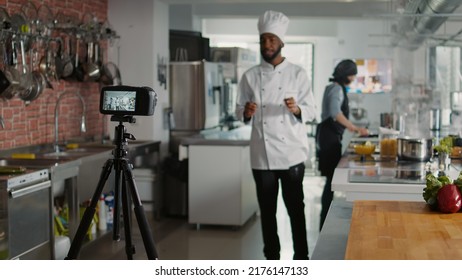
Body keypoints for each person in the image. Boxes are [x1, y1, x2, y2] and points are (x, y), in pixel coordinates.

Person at [235, 10, 317, 260]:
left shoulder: (298, 73)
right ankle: (272, 258)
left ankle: (301, 257)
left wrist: (297, 109)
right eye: (263, 40)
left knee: (296, 209)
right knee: (267, 212)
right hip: (262, 156)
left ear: (281, 42)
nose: (267, 45)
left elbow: (312, 111)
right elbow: (239, 110)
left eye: (271, 40)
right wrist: (246, 112)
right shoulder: (249, 76)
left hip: (292, 153)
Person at [317, 59, 368, 231]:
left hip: (329, 136)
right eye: (353, 75)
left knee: (330, 180)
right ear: (347, 75)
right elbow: (335, 113)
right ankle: (324, 220)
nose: (353, 78)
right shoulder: (337, 88)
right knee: (330, 181)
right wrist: (354, 128)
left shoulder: (333, 87)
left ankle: (324, 218)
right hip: (328, 138)